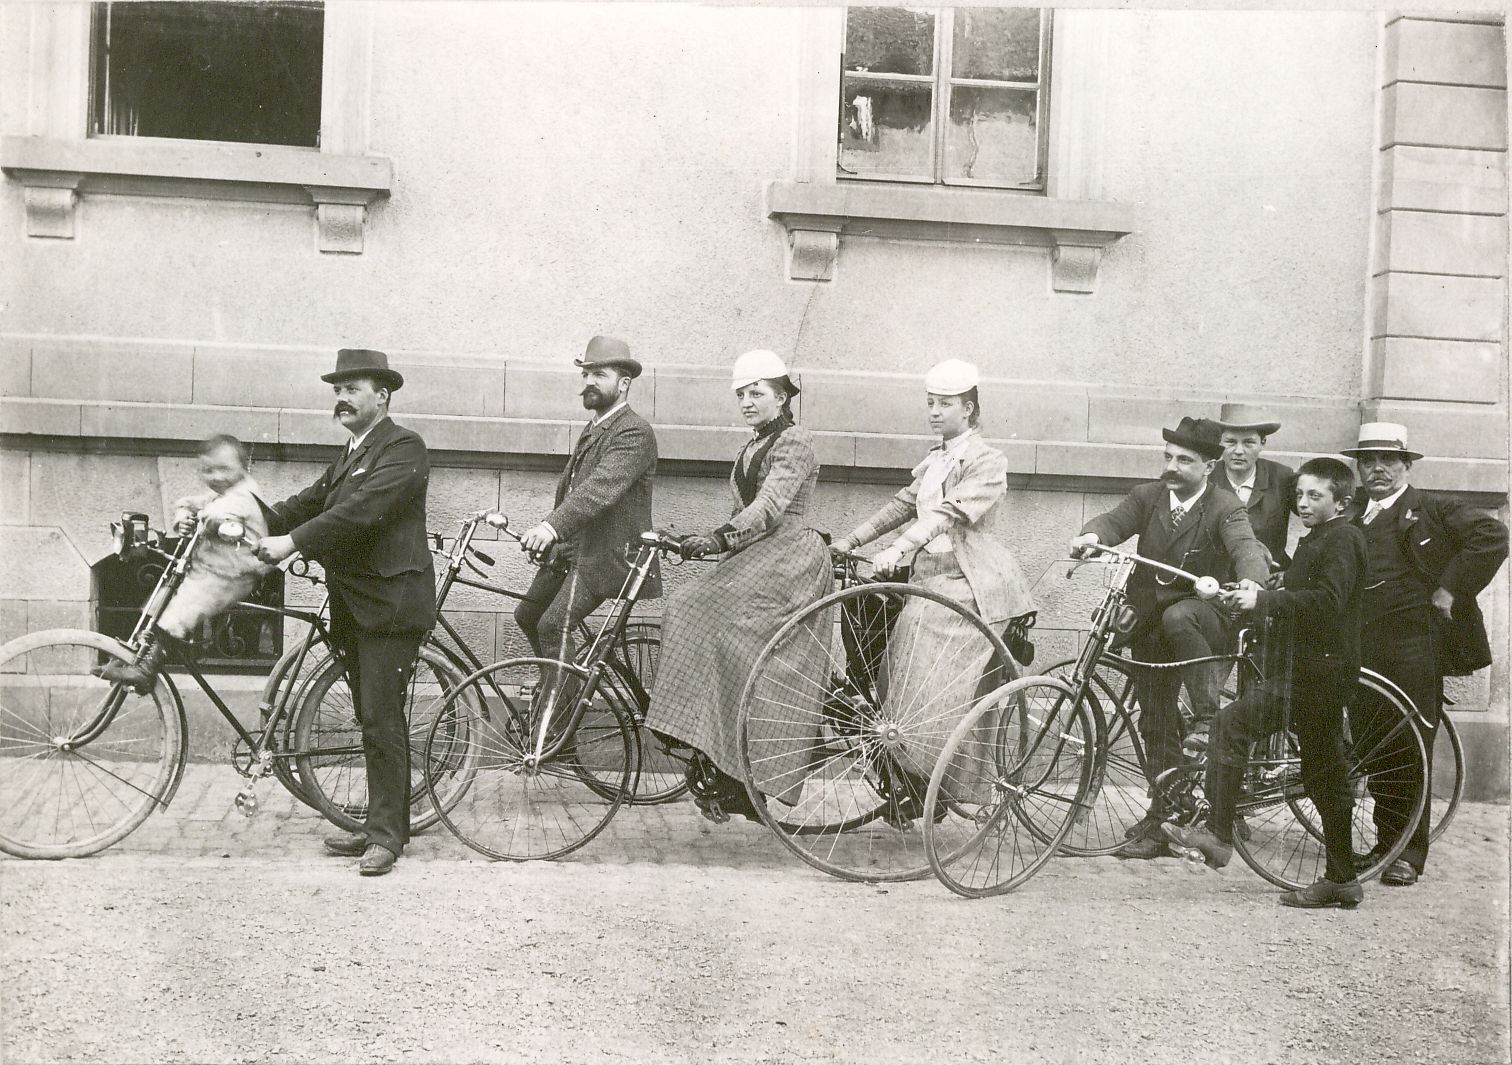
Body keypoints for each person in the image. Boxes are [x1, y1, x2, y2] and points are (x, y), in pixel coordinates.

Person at [254, 349, 436, 878]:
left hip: (390, 606)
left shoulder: (403, 447)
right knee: (370, 718)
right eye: (337, 390)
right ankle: (379, 823)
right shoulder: (351, 454)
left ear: (383, 395)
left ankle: (386, 837)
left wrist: (291, 543)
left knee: (381, 718)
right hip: (355, 606)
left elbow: (361, 512)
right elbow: (306, 504)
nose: (341, 399)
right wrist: (240, 512)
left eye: (352, 389)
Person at [832, 358, 1036, 811]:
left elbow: (947, 514)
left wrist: (898, 548)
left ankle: (927, 779)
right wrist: (853, 540)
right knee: (879, 636)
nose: (935, 412)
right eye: (930, 403)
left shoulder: (987, 461)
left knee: (923, 650)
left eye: (945, 404)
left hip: (972, 580)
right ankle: (906, 772)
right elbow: (903, 505)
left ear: (969, 408)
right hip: (931, 575)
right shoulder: (936, 459)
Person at [1163, 457, 1367, 908]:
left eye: (1315, 496)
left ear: (1342, 502)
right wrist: (1269, 585)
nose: (1303, 503)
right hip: (1306, 670)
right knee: (1323, 772)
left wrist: (1266, 600)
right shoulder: (1321, 537)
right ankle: (1342, 879)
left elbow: (1328, 601)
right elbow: (1306, 590)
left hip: (1319, 673)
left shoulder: (1344, 538)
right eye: (1300, 495)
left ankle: (1219, 835)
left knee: (1234, 726)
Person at [643, 350, 832, 822]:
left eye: (757, 393)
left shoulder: (795, 442)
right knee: (690, 607)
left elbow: (769, 507)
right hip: (758, 556)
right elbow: (744, 512)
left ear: (781, 396)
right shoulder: (753, 445)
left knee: (711, 621)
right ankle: (709, 745)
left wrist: (719, 539)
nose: (747, 401)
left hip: (790, 559)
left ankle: (738, 768)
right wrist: (704, 539)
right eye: (741, 394)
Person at [1068, 416, 1269, 858]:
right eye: (1168, 457)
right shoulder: (1149, 496)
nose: (1172, 467)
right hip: (1150, 625)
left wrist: (1251, 581)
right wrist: (1091, 536)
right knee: (1155, 720)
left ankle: (1207, 716)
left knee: (1180, 615)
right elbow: (1115, 521)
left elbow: (1245, 546)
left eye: (1184, 460)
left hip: (1202, 620)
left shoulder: (1224, 506)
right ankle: (1165, 817)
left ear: (1210, 466)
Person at [1342, 422, 1508, 887]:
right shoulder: (1351, 512)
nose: (1377, 470)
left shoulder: (1435, 508)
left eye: (1388, 461)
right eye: (1367, 461)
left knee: (1410, 745)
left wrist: (1451, 588)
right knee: (1373, 744)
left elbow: (1493, 536)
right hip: (1360, 644)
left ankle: (1409, 856)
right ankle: (1386, 844)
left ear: (1406, 466)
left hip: (1414, 644)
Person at [515, 335, 659, 679]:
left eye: (599, 375)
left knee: (552, 626)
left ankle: (558, 711)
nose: (589, 382)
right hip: (576, 552)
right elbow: (572, 492)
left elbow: (598, 490)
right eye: (586, 374)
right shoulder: (595, 426)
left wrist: (550, 527)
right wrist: (551, 539)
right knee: (528, 616)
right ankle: (557, 691)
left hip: (609, 556)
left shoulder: (634, 431)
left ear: (624, 384)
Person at [96, 434, 272, 692]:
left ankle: (145, 670)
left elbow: (221, 514)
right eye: (208, 470)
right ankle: (135, 655)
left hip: (234, 574)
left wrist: (202, 519)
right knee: (159, 603)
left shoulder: (243, 495)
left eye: (224, 469)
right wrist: (183, 517)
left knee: (182, 610)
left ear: (243, 468)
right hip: (210, 569)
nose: (216, 476)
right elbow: (190, 503)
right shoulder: (220, 494)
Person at [1214, 402, 1296, 570]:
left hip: (1270, 574)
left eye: (1248, 443)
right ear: (1219, 442)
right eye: (1230, 442)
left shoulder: (1281, 477)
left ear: (1262, 443)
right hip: (1217, 576)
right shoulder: (1207, 477)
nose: (1238, 451)